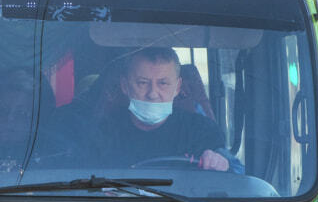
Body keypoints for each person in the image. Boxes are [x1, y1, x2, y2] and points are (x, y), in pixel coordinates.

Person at [96, 48, 231, 170]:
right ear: (125, 86)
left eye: (163, 83)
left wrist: (219, 162)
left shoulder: (203, 131)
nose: (153, 94)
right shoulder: (101, 132)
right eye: (142, 83)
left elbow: (236, 177)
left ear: (177, 87)